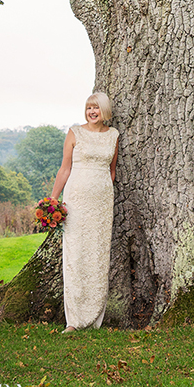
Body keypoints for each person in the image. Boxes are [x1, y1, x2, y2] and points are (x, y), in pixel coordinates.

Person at [49, 92, 119, 331]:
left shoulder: (113, 136)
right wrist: (52, 200)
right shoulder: (74, 133)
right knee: (76, 255)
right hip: (76, 201)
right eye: (89, 108)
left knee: (98, 255)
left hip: (101, 202)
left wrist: (103, 192)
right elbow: (64, 169)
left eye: (96, 108)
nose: (92, 112)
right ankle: (74, 320)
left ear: (104, 111)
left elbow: (111, 171)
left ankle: (94, 317)